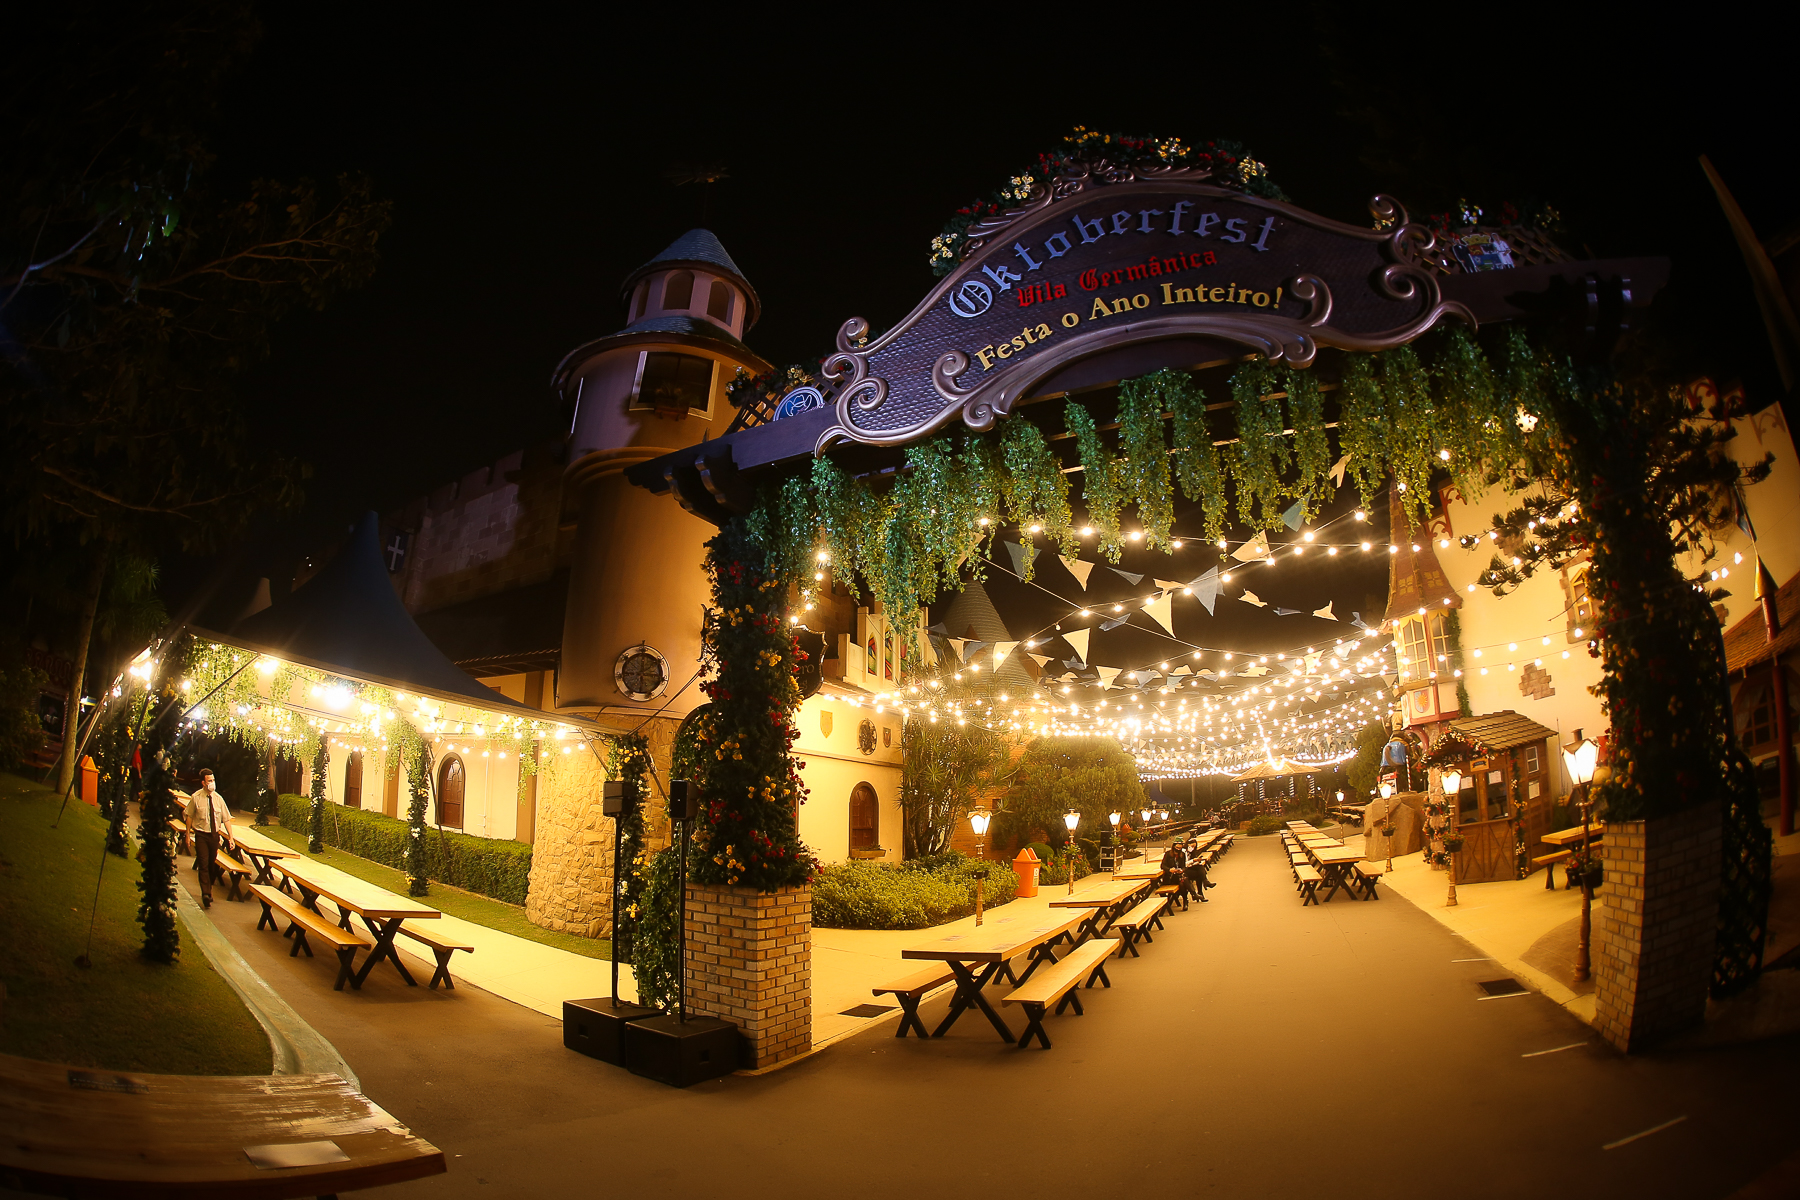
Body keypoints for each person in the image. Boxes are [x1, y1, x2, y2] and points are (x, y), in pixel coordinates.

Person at [184, 769, 236, 909]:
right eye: (209, 781)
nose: (212, 783)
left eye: (213, 780)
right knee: (203, 862)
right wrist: (188, 834)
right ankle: (205, 893)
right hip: (201, 834)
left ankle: (209, 889)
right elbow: (189, 816)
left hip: (214, 835)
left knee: (212, 864)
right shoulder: (196, 797)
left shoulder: (218, 799)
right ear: (203, 783)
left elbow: (226, 819)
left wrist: (231, 838)